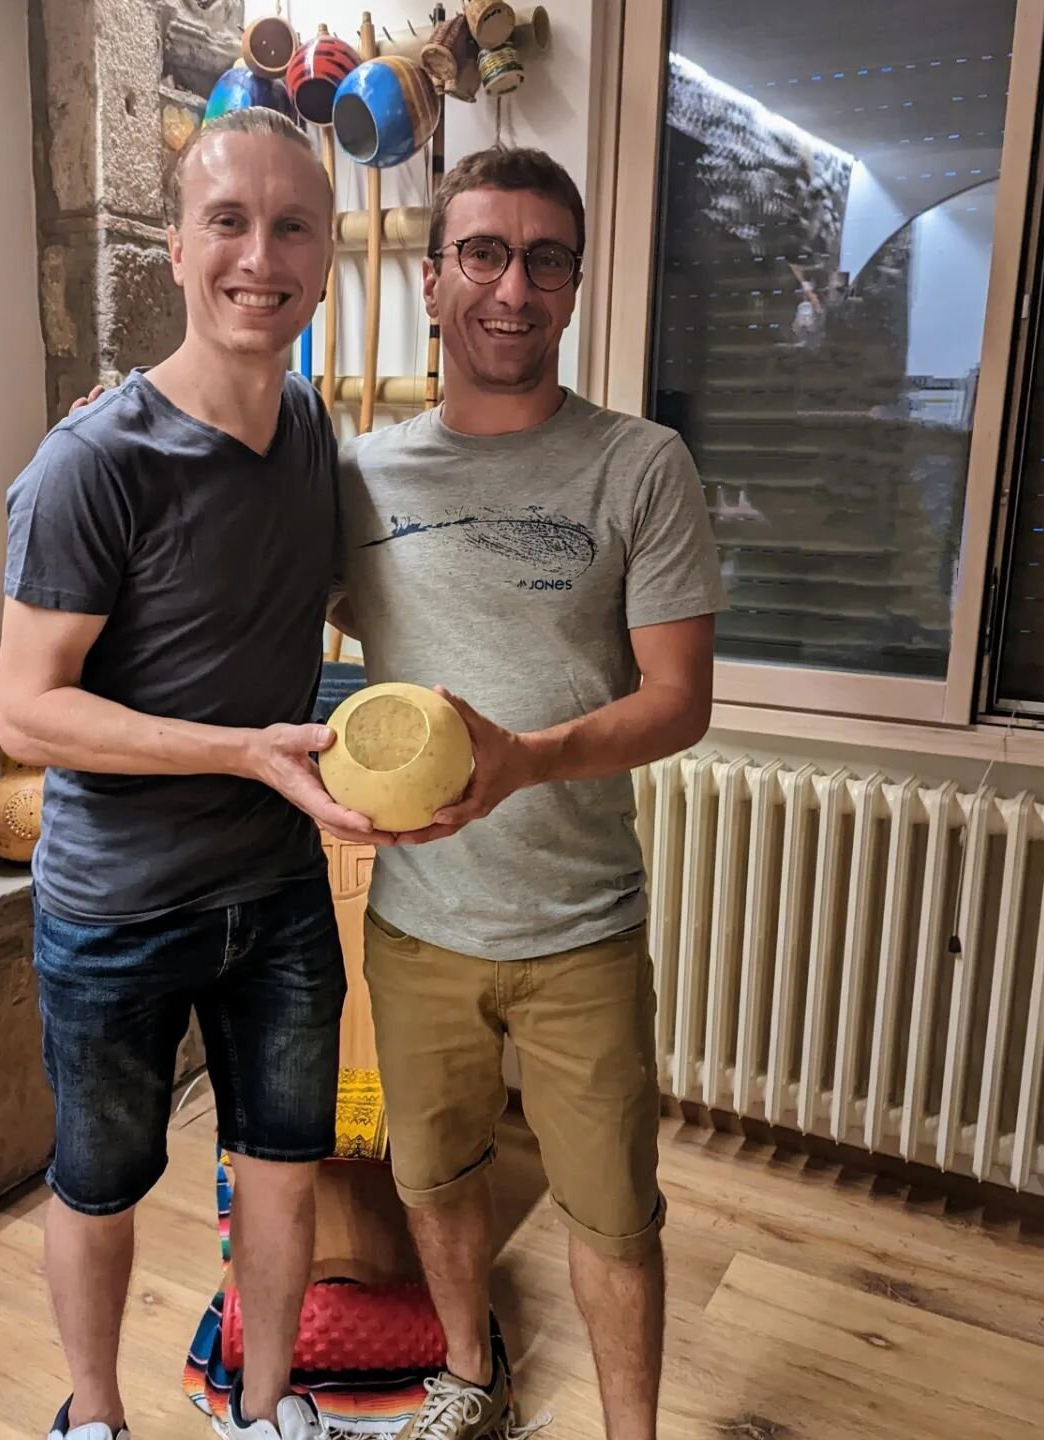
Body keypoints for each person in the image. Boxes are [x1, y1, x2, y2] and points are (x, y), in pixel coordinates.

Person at [0, 107, 391, 1440]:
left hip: (274, 894)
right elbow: (26, 714)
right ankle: (93, 1419)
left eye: (291, 227)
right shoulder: (90, 461)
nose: (258, 256)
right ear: (174, 246)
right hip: (115, 905)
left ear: (326, 256)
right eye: (227, 220)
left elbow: (321, 591)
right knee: (99, 1183)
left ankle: (264, 1410)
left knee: (284, 1173)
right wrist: (241, 753)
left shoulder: (317, 436)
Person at [331, 146, 728, 1440]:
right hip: (417, 923)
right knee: (435, 1175)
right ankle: (468, 1376)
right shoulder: (360, 480)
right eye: (484, 254)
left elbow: (680, 700)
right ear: (434, 278)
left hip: (581, 928)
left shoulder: (641, 465)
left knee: (617, 1211)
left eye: (544, 257)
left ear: (572, 282)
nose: (514, 285)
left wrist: (530, 761)